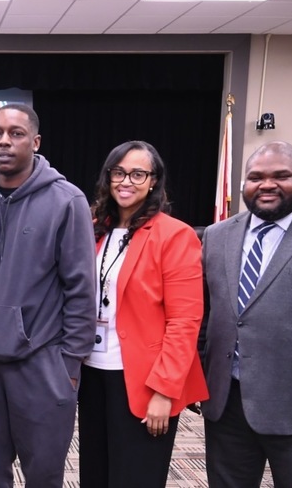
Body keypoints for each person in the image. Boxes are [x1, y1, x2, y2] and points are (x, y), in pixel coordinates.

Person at [0, 103, 97, 487]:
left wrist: (69, 365)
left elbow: (81, 289)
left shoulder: (67, 201)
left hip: (42, 364)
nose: (4, 141)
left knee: (43, 476)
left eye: (16, 133)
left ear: (36, 141)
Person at [200, 140, 292, 488]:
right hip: (227, 404)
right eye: (256, 177)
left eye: (281, 176)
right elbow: (207, 314)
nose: (267, 184)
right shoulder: (217, 236)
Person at [78, 140, 208, 487]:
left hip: (144, 380)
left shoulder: (175, 235)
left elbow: (185, 322)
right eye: (118, 172)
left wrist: (164, 391)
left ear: (153, 181)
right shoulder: (92, 228)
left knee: (135, 478)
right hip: (91, 372)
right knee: (94, 475)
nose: (126, 181)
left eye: (138, 174)